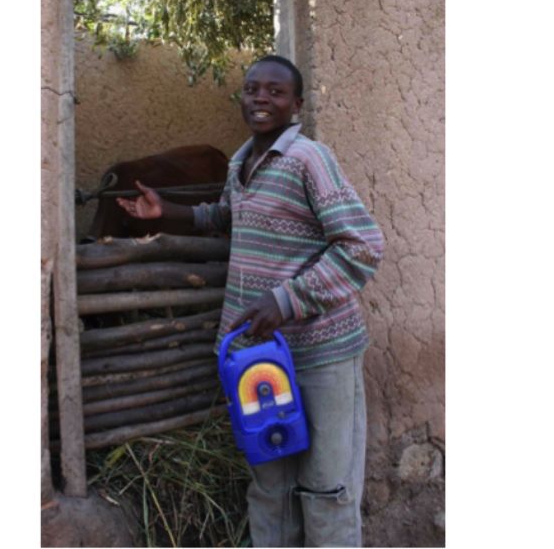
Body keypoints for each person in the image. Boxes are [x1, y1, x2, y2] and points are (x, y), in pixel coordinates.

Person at [117, 55, 384, 547]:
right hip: (260, 360)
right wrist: (167, 211)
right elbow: (228, 216)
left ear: (296, 105)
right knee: (270, 485)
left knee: (327, 486)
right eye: (251, 89)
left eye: (275, 92)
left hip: (321, 353)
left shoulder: (309, 159)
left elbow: (363, 245)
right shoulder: (242, 161)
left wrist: (285, 301)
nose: (261, 98)